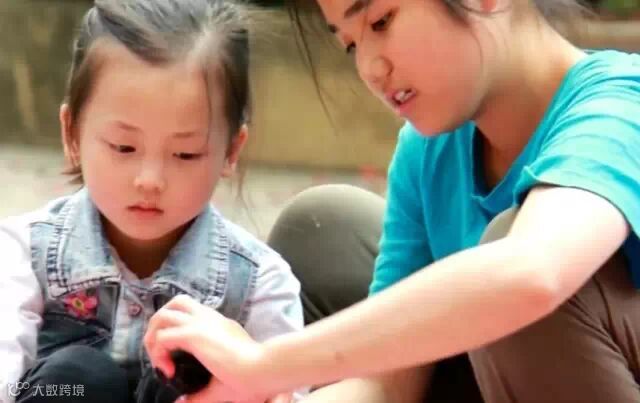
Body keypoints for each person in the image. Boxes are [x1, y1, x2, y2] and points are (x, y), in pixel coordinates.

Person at [144, 0, 640, 402]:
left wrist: (264, 365)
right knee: (327, 230)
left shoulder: (620, 104)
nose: (370, 68)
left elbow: (531, 274)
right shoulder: (428, 150)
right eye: (351, 44)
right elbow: (387, 385)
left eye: (381, 21)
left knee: (508, 276)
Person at [0, 1, 303, 402]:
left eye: (185, 154)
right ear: (72, 133)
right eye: (124, 147)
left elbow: (290, 394)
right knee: (79, 378)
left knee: (199, 373)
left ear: (231, 150)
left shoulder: (259, 284)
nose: (150, 180)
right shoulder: (23, 252)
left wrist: (243, 376)